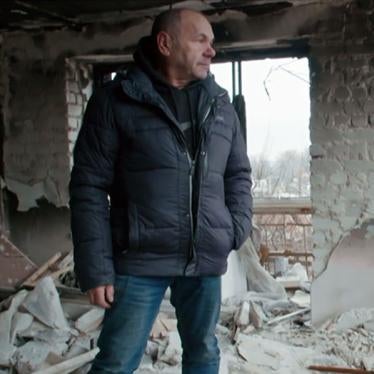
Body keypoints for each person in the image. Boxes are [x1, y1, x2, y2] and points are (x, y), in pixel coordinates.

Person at [70, 8, 252, 374]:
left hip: (202, 258)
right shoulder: (115, 100)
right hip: (138, 260)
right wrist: (96, 268)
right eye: (200, 39)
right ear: (165, 43)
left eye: (212, 42)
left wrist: (233, 230)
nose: (211, 50)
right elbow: (88, 185)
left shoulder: (220, 106)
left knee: (203, 353)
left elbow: (238, 175)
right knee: (116, 361)